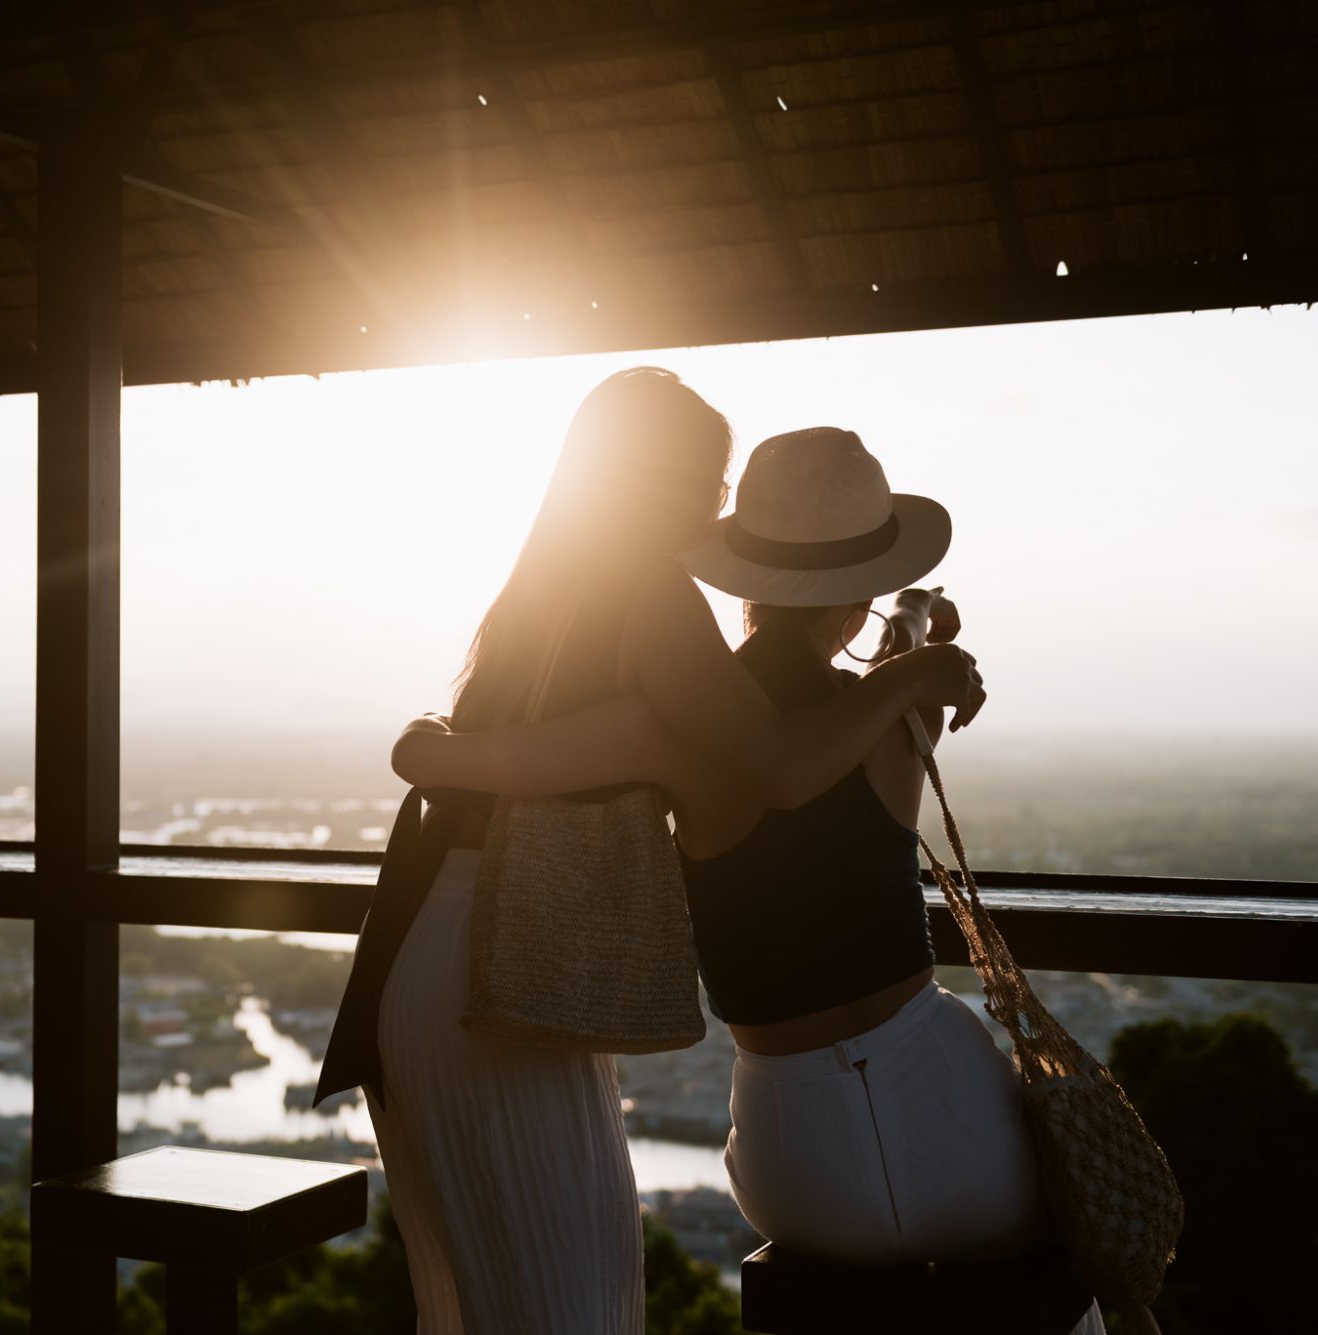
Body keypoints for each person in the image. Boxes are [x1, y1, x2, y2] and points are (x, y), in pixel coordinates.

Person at [389, 427, 1099, 1335]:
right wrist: (917, 624)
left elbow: (458, 762)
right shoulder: (900, 702)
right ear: (860, 603)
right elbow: (893, 659)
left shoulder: (667, 729)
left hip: (794, 1160)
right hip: (948, 1117)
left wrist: (423, 734)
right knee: (1060, 1283)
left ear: (745, 586)